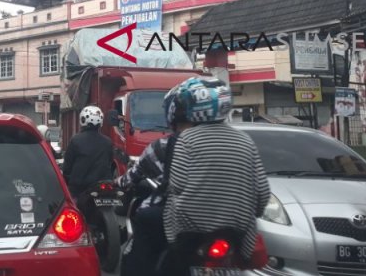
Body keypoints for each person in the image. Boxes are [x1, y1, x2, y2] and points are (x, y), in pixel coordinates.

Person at [162, 76, 271, 268]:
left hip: (191, 229)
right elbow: (262, 192)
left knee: (172, 263)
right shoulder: (245, 140)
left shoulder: (187, 139)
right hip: (235, 230)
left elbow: (176, 185)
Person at [113, 86, 196, 276]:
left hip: (172, 217)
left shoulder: (162, 146)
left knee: (134, 257)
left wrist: (117, 184)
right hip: (220, 221)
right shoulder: (231, 145)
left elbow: (130, 178)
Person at [61, 105, 113, 198]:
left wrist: (67, 181)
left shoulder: (76, 140)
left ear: (83, 120)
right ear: (100, 121)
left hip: (79, 189)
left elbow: (67, 167)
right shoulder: (108, 142)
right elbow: (109, 163)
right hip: (102, 188)